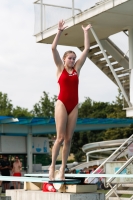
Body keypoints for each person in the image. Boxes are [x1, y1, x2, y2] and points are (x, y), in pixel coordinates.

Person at [49, 19, 92, 180]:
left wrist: (86, 32)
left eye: (74, 58)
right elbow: (53, 48)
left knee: (68, 139)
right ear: (65, 59)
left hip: (74, 106)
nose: (73, 61)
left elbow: (87, 49)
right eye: (70, 58)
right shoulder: (60, 69)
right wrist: (59, 31)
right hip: (61, 103)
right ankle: (52, 167)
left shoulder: (77, 70)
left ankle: (62, 169)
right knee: (59, 138)